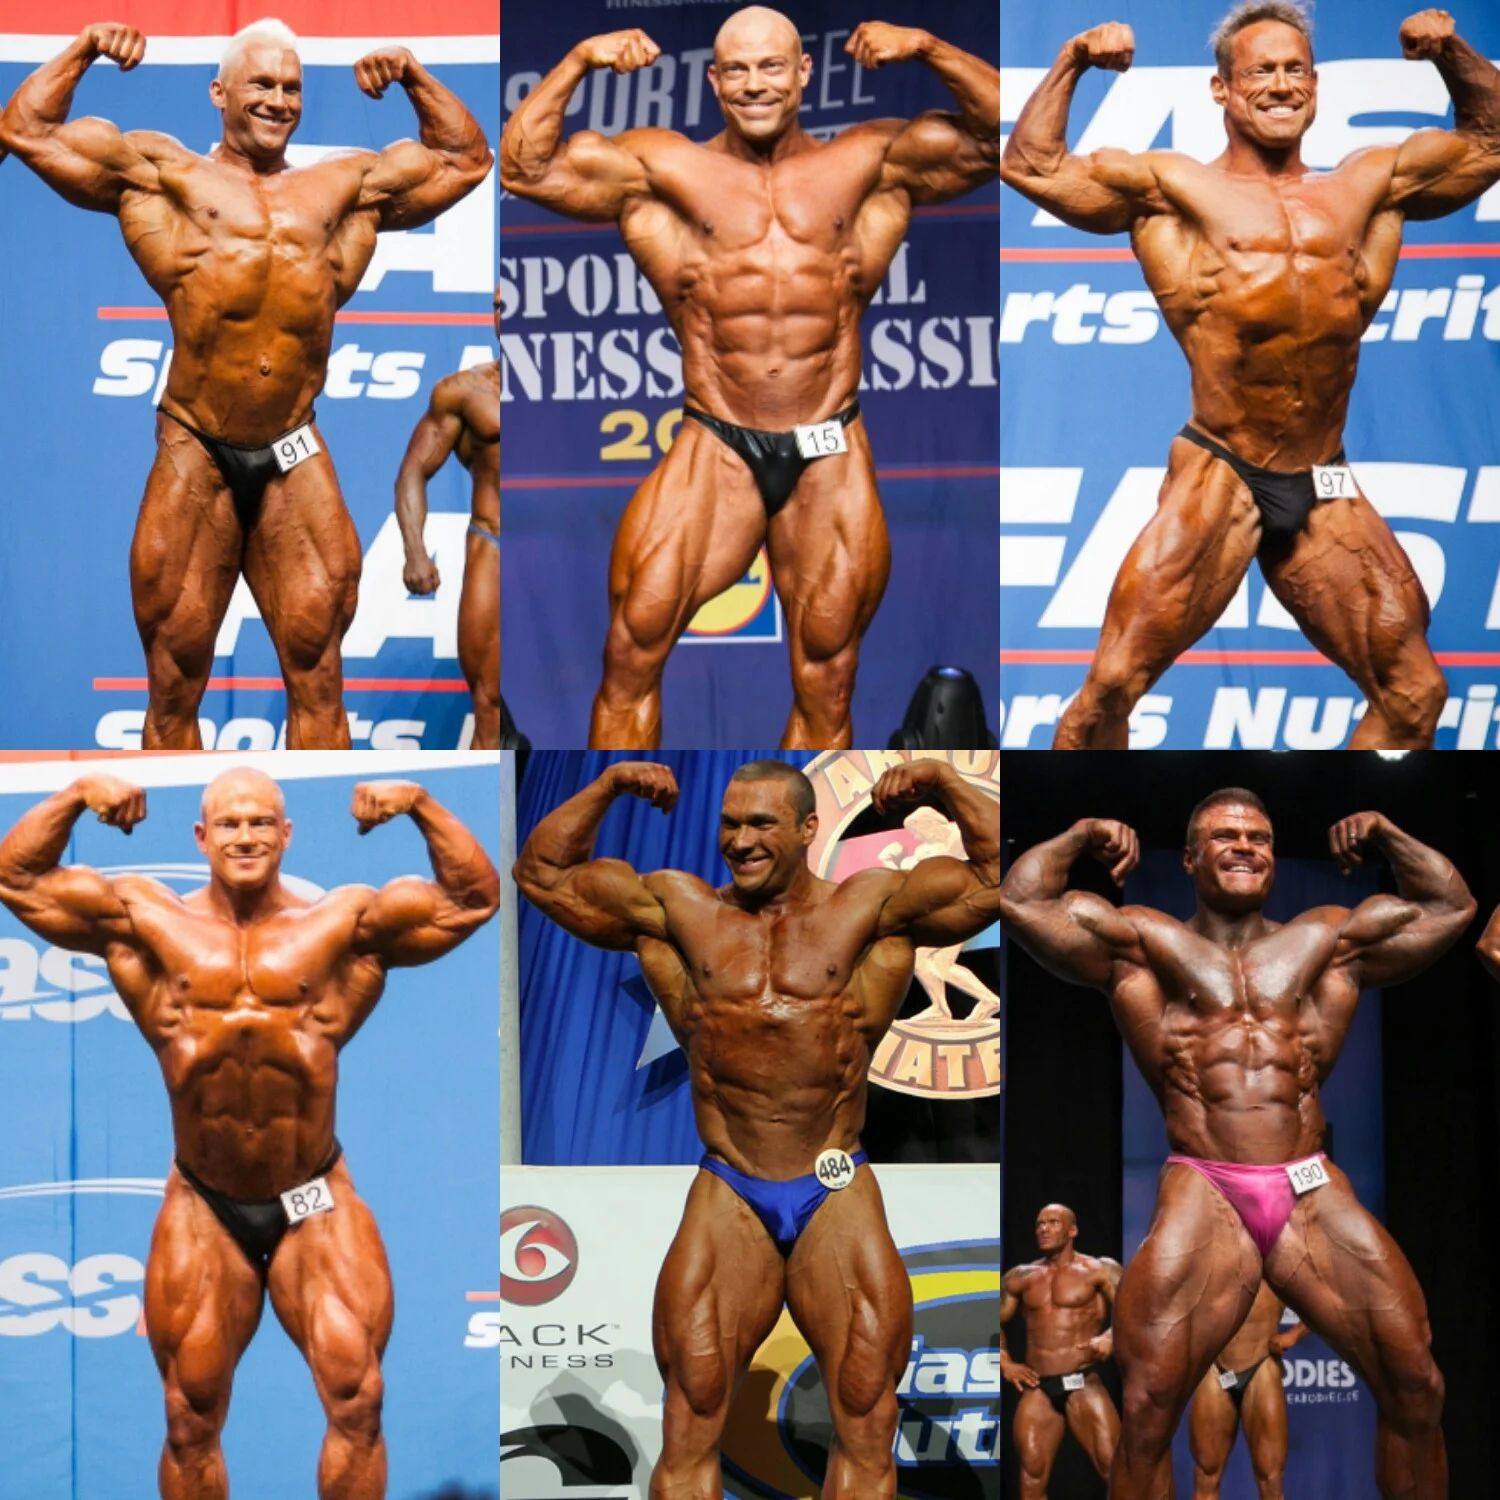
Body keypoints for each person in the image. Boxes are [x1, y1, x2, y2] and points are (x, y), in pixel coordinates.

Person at [1000, 4, 1500, 749]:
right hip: (1222, 470)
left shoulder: (1370, 184)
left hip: (1323, 477)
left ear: (1316, 86)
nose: (1281, 84)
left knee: (1415, 695)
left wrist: (1452, 51)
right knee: (1109, 690)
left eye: (1296, 69)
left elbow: (1490, 140)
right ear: (1222, 90)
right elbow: (1031, 165)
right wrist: (1073, 58)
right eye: (1261, 71)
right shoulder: (1171, 187)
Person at [499, 7, 999, 750]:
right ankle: (621, 810)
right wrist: (577, 60)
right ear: (713, 80)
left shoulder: (870, 163)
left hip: (828, 446)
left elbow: (1002, 139)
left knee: (827, 675)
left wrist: (927, 47)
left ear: (803, 72)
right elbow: (524, 168)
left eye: (771, 67)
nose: (754, 84)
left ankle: (796, 819)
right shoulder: (663, 167)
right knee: (632, 651)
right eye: (736, 69)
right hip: (718, 442)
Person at [0, 768, 501, 1499]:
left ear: (286, 834)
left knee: (358, 1397)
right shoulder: (145, 921)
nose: (246, 837)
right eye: (230, 824)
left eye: (261, 822)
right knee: (189, 1417)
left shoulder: (339, 924)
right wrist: (77, 795)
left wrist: (421, 806)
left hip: (310, 1199)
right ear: (201, 837)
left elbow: (472, 898)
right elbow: (17, 879)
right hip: (205, 1205)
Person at [514, 757, 1000, 1498]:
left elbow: (996, 880)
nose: (740, 840)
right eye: (730, 824)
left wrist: (945, 780)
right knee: (693, 1408)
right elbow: (542, 874)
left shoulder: (871, 907)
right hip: (730, 1185)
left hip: (835, 1182)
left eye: (761, 823)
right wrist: (607, 787)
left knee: (866, 1413)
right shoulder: (679, 911)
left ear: (809, 829)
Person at [0, 21, 491, 748]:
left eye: (292, 88)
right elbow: (27, 129)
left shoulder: (343, 187)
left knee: (319, 669)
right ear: (219, 93)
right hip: (196, 444)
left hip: (293, 444)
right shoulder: (162, 174)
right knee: (175, 679)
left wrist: (415, 76)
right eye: (261, 84)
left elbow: (465, 158)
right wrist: (86, 49)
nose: (278, 100)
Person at [999, 789, 1473, 1499]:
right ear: (1190, 859)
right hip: (1206, 1185)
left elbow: (1450, 907)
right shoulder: (1143, 945)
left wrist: (1384, 831)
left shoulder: (1325, 941)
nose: (1246, 846)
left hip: (1308, 1183)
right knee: (1148, 1409)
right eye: (1226, 836)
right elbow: (1023, 902)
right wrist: (1081, 832)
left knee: (1417, 1382)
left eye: (1260, 837)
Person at [397, 289, 500, 748]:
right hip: (494, 545)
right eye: (497, 306)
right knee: (489, 702)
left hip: (556, 553)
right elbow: (413, 472)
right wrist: (415, 552)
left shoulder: (574, 386)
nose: (504, 314)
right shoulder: (464, 392)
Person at [1000, 1202, 1122, 1498]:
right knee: (1031, 1475)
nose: (1044, 1229)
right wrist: (1005, 1362)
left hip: (1083, 1381)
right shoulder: (1020, 1276)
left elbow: (1135, 1315)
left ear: (1072, 1230)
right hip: (1038, 1387)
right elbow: (990, 1320)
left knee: (1116, 1471)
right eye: (1040, 1224)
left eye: (1053, 1223)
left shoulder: (1100, 1270)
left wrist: (1111, 1337)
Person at [1189, 1282, 1307, 1500]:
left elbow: (1322, 1302)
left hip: (1261, 1367)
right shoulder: (1209, 1262)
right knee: (1206, 1473)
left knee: (1271, 1479)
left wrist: (1293, 1335)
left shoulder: (1273, 1265)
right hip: (1217, 1368)